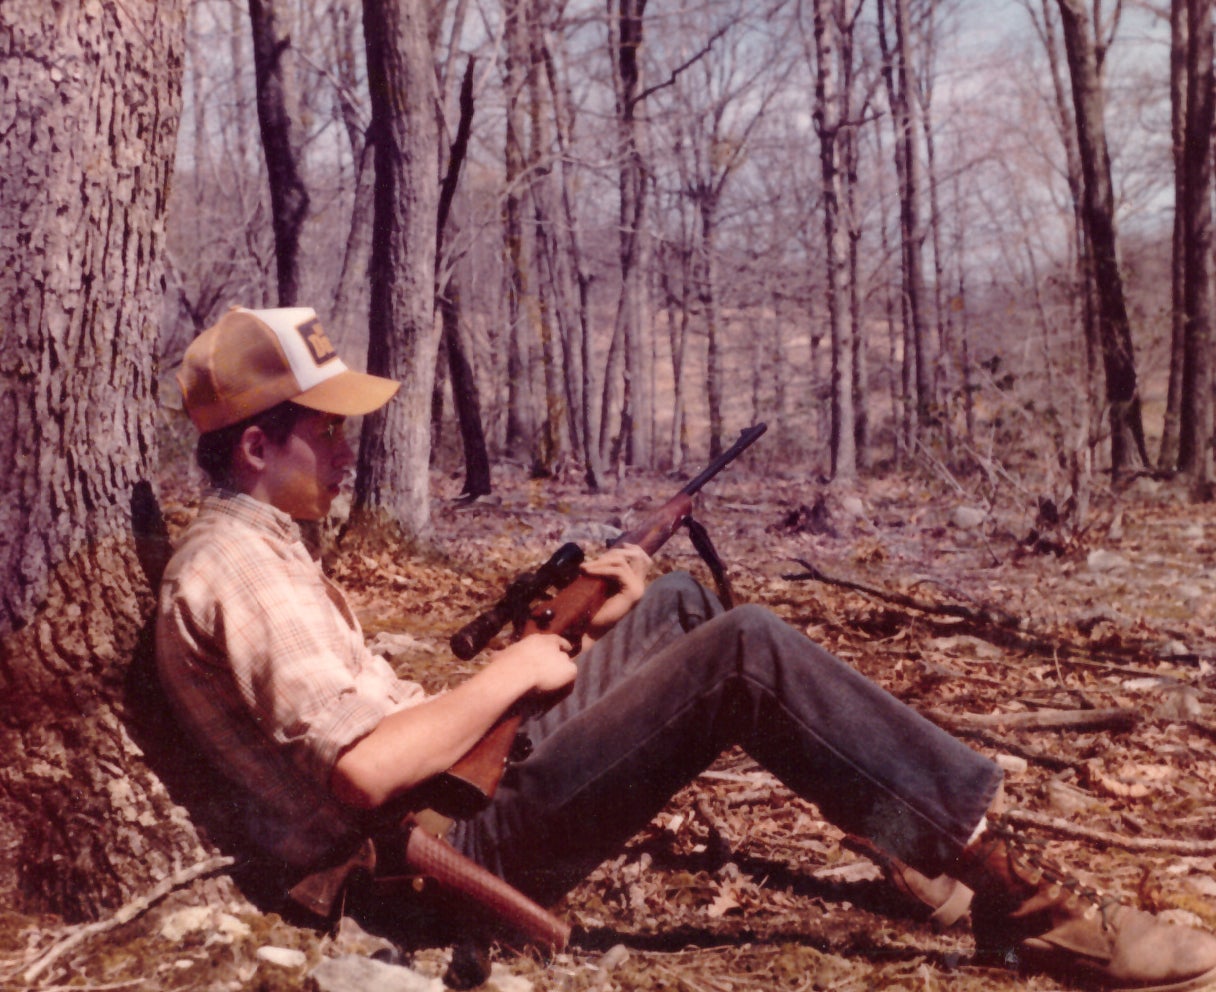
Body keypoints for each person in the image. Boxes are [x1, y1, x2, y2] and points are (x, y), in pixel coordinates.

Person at [157, 305, 1216, 992]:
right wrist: (514, 670)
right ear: (257, 444)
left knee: (668, 607)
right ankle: (1028, 908)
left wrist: (567, 637)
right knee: (745, 649)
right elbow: (363, 767)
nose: (349, 446)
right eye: (328, 428)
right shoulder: (235, 567)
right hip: (427, 864)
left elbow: (380, 723)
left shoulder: (268, 545)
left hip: (445, 802)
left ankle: (919, 845)